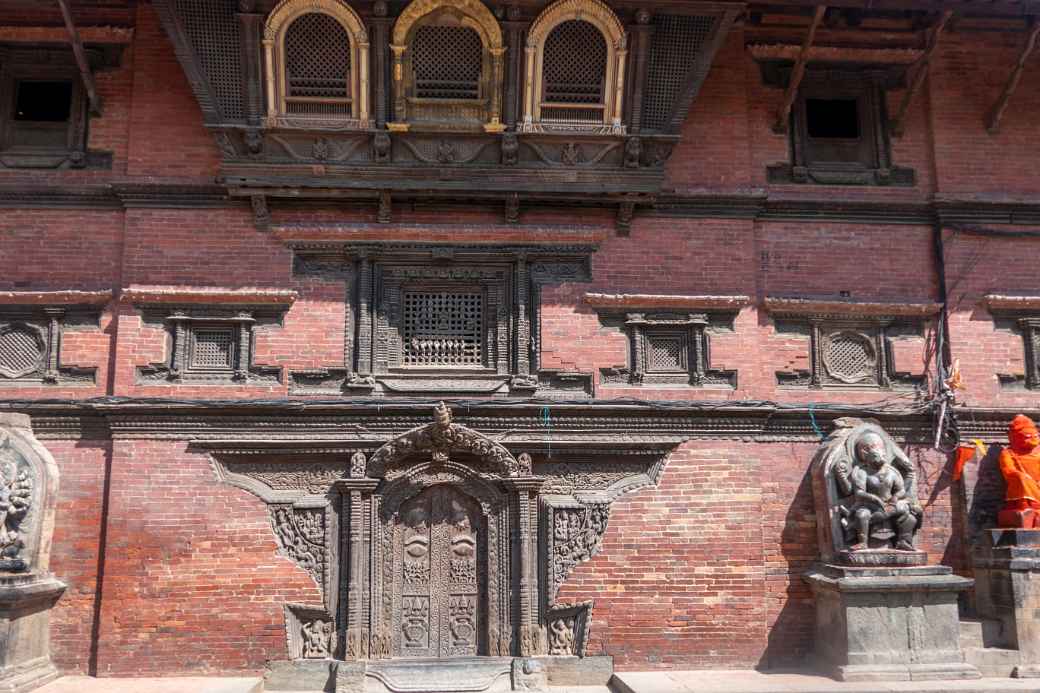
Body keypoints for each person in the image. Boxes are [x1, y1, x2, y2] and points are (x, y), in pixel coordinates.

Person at [839, 432, 918, 551]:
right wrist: (874, 498)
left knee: (910, 517)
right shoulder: (862, 471)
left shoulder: (892, 472)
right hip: (868, 505)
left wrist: (895, 497)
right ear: (867, 457)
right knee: (862, 515)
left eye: (881, 456)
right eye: (875, 457)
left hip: (888, 504)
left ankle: (903, 541)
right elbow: (859, 492)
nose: (879, 460)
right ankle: (862, 542)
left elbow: (901, 490)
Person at [998, 415, 1040, 528]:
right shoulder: (1008, 453)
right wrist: (1020, 475)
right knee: (1022, 478)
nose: (1034, 439)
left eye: (1036, 436)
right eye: (1028, 437)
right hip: (1021, 482)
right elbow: (1008, 469)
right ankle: (1027, 503)